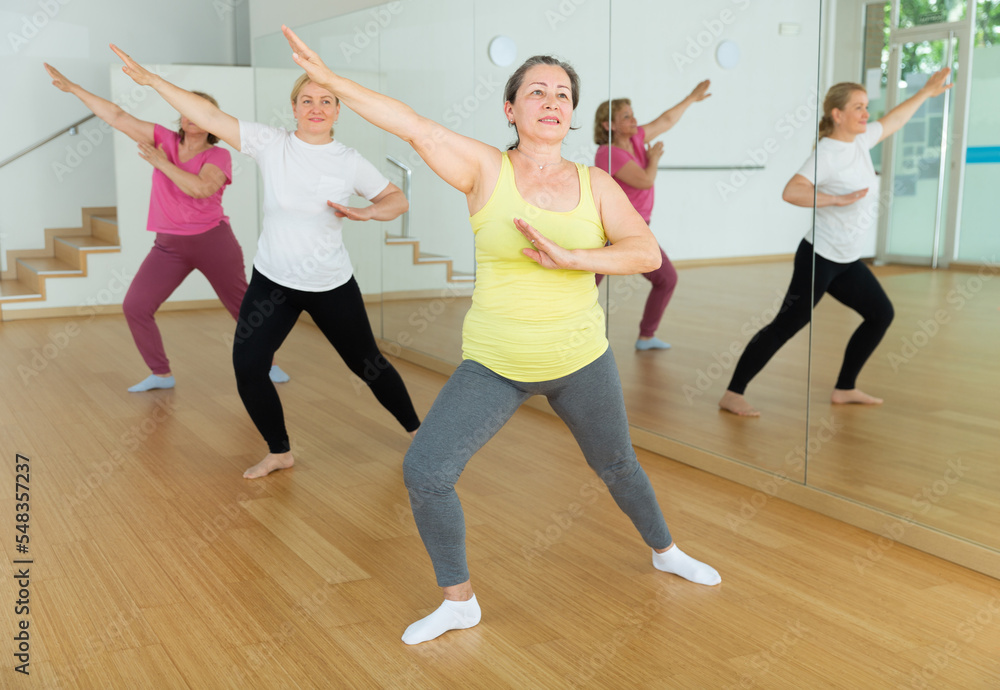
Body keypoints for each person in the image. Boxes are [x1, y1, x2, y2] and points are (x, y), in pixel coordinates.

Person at [279, 26, 721, 645]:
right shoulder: (486, 169)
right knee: (426, 470)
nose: (552, 100)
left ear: (570, 115)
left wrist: (573, 259)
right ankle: (458, 601)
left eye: (563, 94)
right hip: (495, 363)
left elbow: (645, 252)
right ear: (511, 110)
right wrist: (331, 84)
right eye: (536, 90)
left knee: (618, 465)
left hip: (581, 360)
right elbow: (414, 126)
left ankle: (666, 549)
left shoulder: (596, 183)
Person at [110, 44, 421, 478]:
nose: (316, 107)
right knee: (248, 365)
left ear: (337, 112)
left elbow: (397, 199)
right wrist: (154, 82)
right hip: (273, 281)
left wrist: (367, 211)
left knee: (367, 363)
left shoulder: (349, 162)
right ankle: (279, 451)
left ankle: (417, 434)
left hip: (330, 283)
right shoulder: (271, 144)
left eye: (326, 101)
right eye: (307, 100)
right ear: (294, 108)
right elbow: (211, 116)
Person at [719, 70, 953, 417]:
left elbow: (894, 120)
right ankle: (733, 393)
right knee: (788, 323)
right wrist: (835, 200)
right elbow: (792, 191)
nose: (865, 113)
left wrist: (927, 93)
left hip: (846, 259)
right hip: (819, 257)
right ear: (837, 115)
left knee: (880, 314)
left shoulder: (859, 141)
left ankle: (845, 387)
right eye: (858, 107)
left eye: (866, 106)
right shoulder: (827, 153)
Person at [44, 63, 289, 393]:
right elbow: (117, 117)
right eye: (185, 108)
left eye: (199, 110)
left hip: (212, 242)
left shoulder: (218, 156)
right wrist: (74, 88)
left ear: (211, 119)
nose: (190, 115)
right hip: (168, 246)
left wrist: (161, 163)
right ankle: (161, 373)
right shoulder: (162, 138)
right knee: (135, 306)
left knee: (243, 308)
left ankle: (268, 363)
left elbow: (201, 189)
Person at [593, 81, 711, 350]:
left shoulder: (636, 140)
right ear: (608, 125)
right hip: (611, 231)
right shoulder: (608, 154)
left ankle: (647, 335)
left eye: (632, 114)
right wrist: (655, 157)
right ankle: (559, 336)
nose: (634, 120)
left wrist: (691, 98)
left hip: (636, 229)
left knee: (666, 278)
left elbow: (666, 120)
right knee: (584, 288)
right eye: (626, 116)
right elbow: (645, 180)